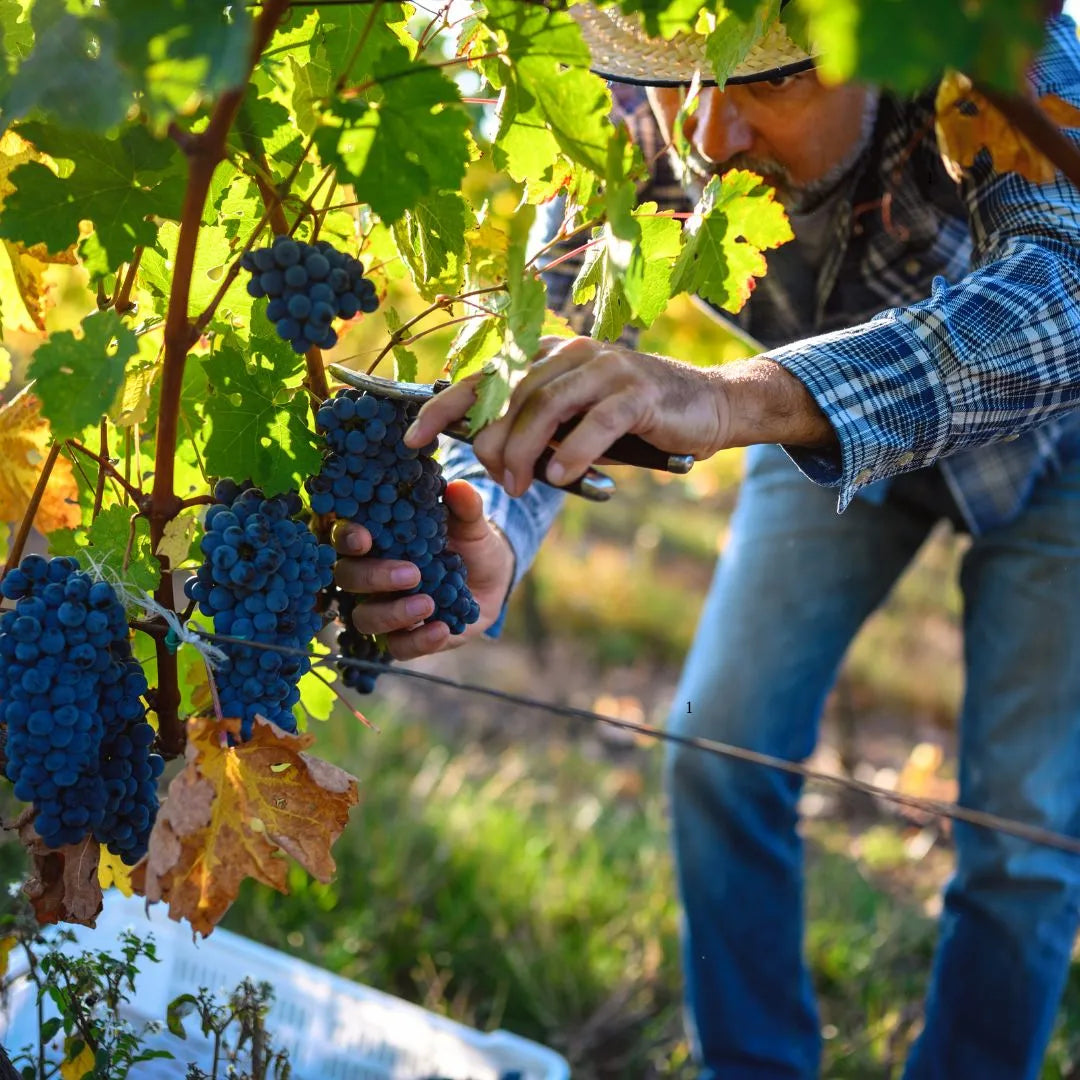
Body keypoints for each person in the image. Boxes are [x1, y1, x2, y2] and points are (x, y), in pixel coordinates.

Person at [333, 6, 1080, 1079]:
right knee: (717, 748)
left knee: (1022, 836)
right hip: (814, 426)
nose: (711, 137)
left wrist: (734, 399)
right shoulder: (651, 100)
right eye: (691, 85)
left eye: (770, 86)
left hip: (1054, 458)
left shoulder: (991, 37)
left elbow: (1071, 283)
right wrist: (484, 512)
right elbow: (546, 340)